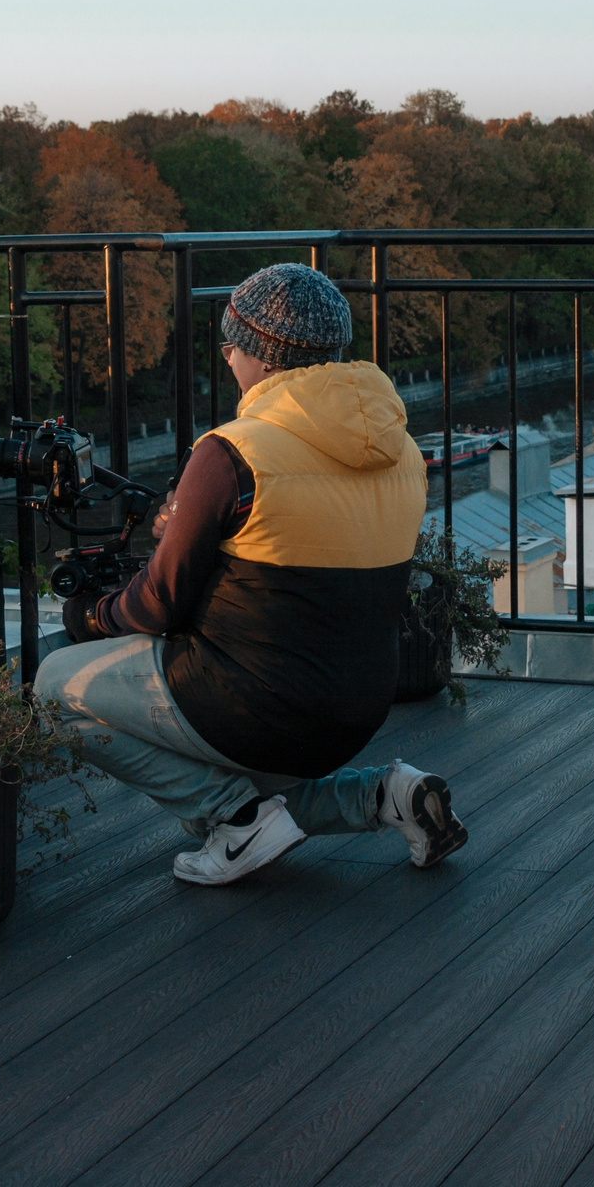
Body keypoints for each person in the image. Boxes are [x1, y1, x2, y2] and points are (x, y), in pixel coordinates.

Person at [34, 263, 468, 886]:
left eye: (232, 344)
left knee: (55, 686)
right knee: (257, 785)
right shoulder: (401, 450)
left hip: (255, 707)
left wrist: (88, 614)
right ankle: (387, 796)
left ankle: (233, 822)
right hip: (359, 704)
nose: (227, 358)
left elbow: (157, 606)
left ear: (266, 360)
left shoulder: (232, 452)